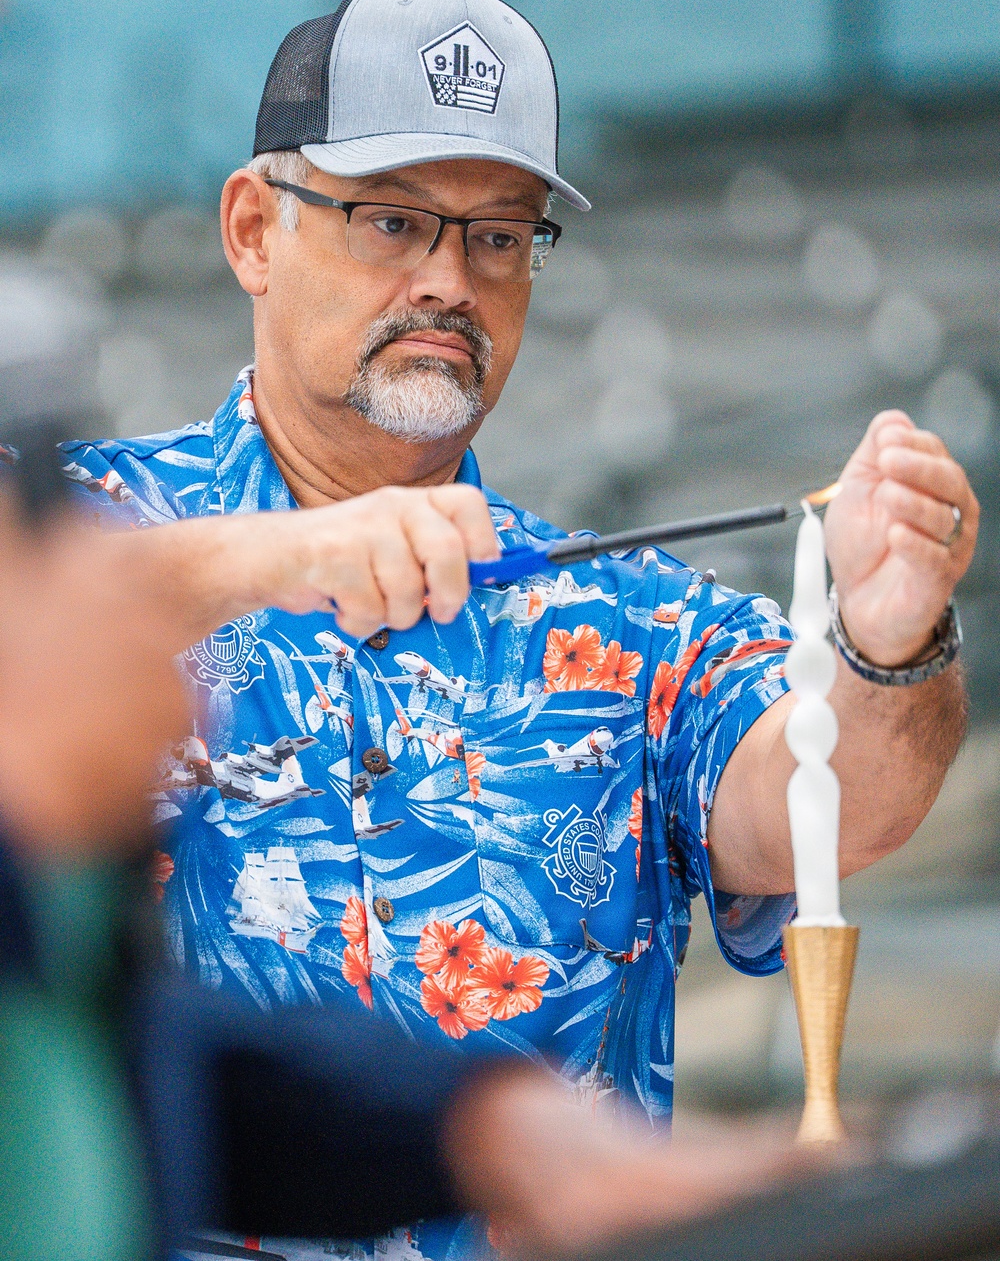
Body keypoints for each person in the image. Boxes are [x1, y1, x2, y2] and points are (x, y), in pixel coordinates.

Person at [60, 0, 978, 1260]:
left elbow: (836, 801)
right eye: (393, 220)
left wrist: (892, 638)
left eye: (499, 235)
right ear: (253, 230)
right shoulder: (69, 529)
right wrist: (282, 552)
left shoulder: (643, 621)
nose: (449, 278)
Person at [0, 459, 806, 1261]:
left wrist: (489, 1129)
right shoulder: (95, 509)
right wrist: (254, 560)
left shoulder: (637, 606)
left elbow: (155, 1071)